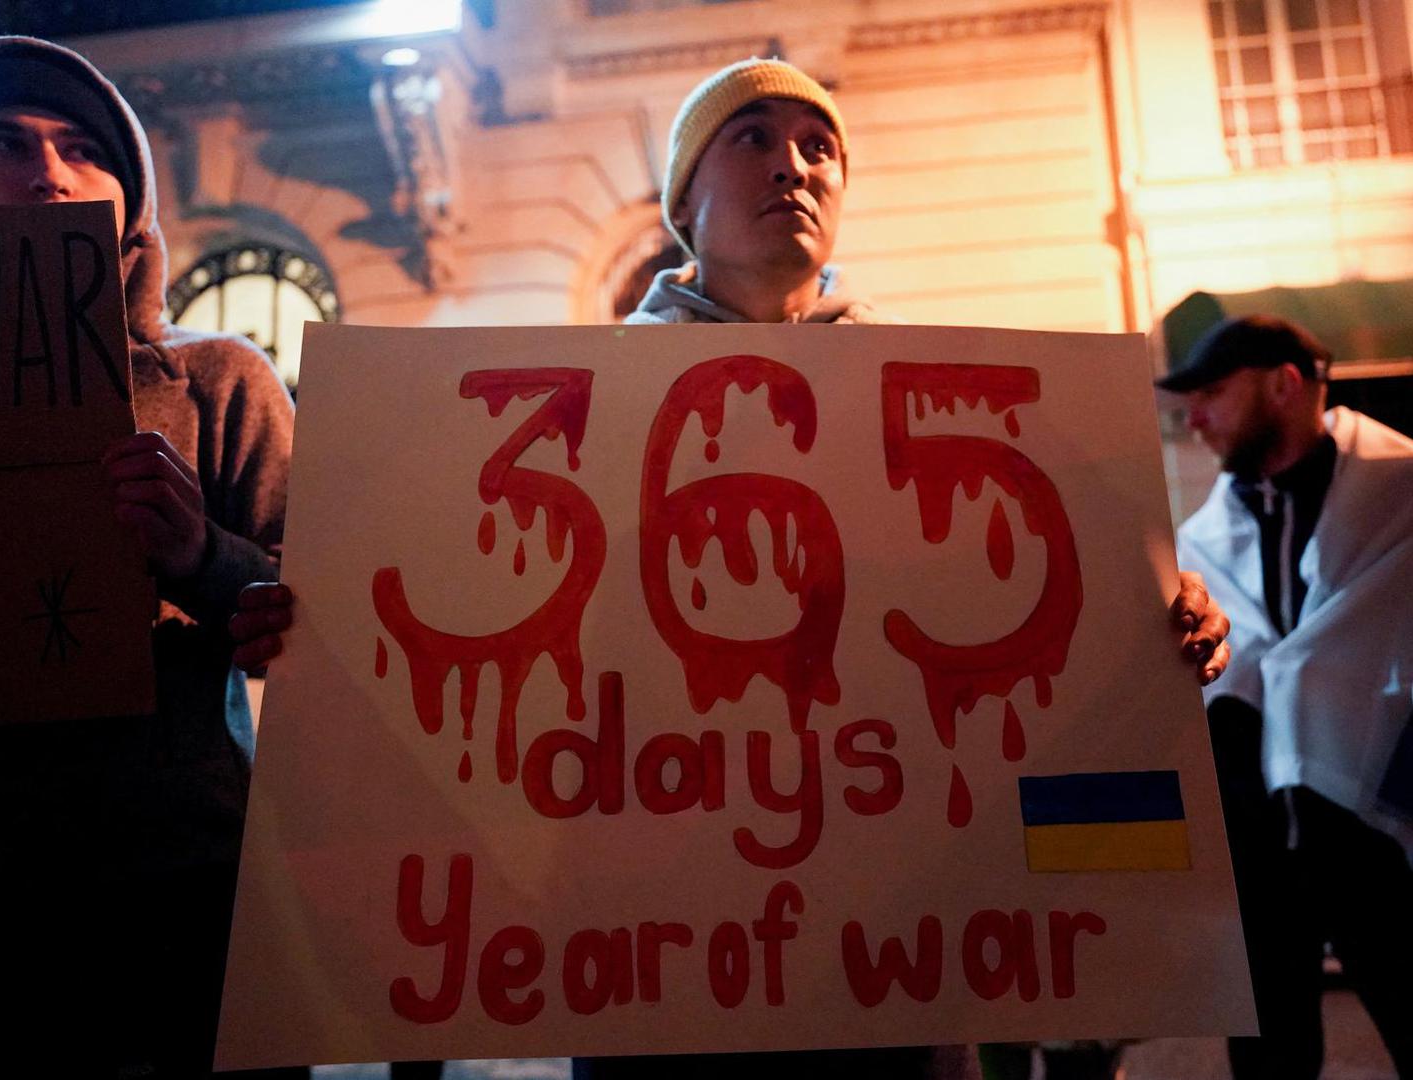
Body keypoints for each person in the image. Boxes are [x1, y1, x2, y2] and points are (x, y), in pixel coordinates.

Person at [232, 58, 1231, 1080]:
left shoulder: (951, 402)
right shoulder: (578, 416)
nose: (793, 167)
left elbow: (1013, 622)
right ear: (684, 201)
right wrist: (320, 626)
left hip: (898, 957)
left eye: (819, 146)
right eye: (751, 137)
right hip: (655, 964)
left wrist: (1150, 618)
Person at [0, 36, 295, 1075]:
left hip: (171, 880)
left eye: (82, 148)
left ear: (128, 196)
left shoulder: (222, 383)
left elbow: (315, 616)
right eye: (7, 142)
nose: (46, 171)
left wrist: (200, 554)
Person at [1160, 315, 1413, 1080]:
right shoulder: (1205, 537)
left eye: (1212, 393)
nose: (1195, 418)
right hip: (1260, 847)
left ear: (1285, 383)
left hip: (1376, 835)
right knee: (1271, 1060)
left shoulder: (1401, 491)